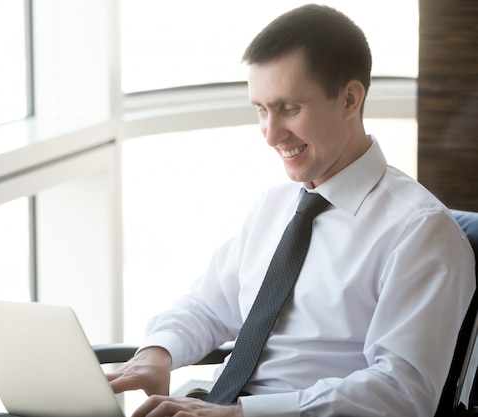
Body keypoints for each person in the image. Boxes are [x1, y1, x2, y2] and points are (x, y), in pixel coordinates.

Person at [107, 4, 476, 417]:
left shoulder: (421, 234)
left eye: (289, 109)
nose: (270, 135)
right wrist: (158, 351)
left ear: (350, 99)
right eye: (261, 110)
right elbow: (208, 306)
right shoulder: (276, 205)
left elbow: (401, 393)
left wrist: (243, 414)